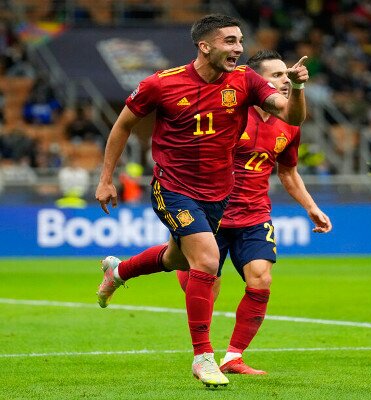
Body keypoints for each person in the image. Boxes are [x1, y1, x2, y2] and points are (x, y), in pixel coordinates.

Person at [94, 14, 309, 388]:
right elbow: (123, 125)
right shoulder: (161, 84)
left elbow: (289, 115)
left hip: (218, 192)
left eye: (240, 41)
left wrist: (299, 88)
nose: (238, 48)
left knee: (176, 258)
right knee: (207, 261)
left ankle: (119, 271)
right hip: (172, 186)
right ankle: (204, 357)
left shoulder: (245, 80)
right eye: (229, 41)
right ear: (204, 45)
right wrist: (106, 178)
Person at [176, 50, 332, 375]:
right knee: (203, 283)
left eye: (286, 75)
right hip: (212, 213)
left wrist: (312, 207)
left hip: (254, 215)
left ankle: (232, 357)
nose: (285, 81)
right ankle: (127, 271)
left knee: (261, 279)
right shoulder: (230, 113)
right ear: (256, 81)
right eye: (276, 76)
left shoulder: (290, 125)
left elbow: (288, 174)